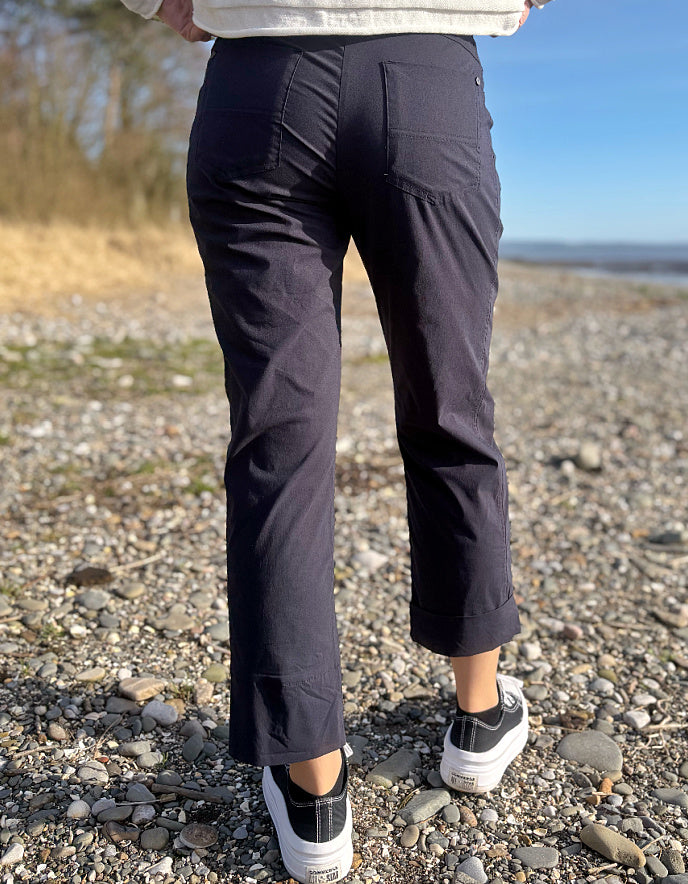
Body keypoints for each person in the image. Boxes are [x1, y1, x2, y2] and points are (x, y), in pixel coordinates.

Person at [119, 0, 553, 881]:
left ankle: (314, 789)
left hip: (257, 86)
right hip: (428, 78)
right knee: (450, 406)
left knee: (279, 443)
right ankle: (478, 715)